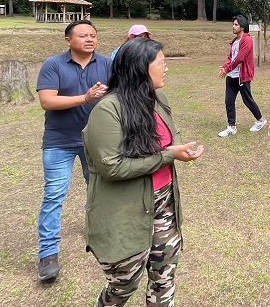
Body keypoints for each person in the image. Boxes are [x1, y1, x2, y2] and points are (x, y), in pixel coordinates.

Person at [83, 38, 204, 306]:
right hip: (126, 214)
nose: (166, 69)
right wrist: (168, 155)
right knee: (121, 287)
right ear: (140, 69)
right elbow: (111, 167)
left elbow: (172, 135)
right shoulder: (108, 110)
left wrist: (179, 149)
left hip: (164, 207)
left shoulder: (158, 98)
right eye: (161, 64)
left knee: (164, 279)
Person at [35, 20, 112, 281]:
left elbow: (117, 94)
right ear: (68, 40)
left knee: (99, 190)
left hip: (96, 140)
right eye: (83, 35)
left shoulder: (106, 64)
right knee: (54, 195)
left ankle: (98, 233)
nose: (89, 39)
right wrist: (86, 98)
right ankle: (48, 254)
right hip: (60, 141)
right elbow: (47, 101)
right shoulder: (53, 65)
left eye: (93, 35)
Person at [217, 15, 267, 137]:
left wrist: (227, 69)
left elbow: (240, 58)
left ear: (242, 27)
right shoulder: (234, 41)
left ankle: (261, 120)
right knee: (229, 101)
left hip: (242, 76)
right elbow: (231, 57)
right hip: (231, 76)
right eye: (233, 24)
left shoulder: (247, 40)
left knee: (247, 100)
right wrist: (225, 68)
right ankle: (231, 127)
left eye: (236, 25)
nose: (233, 27)